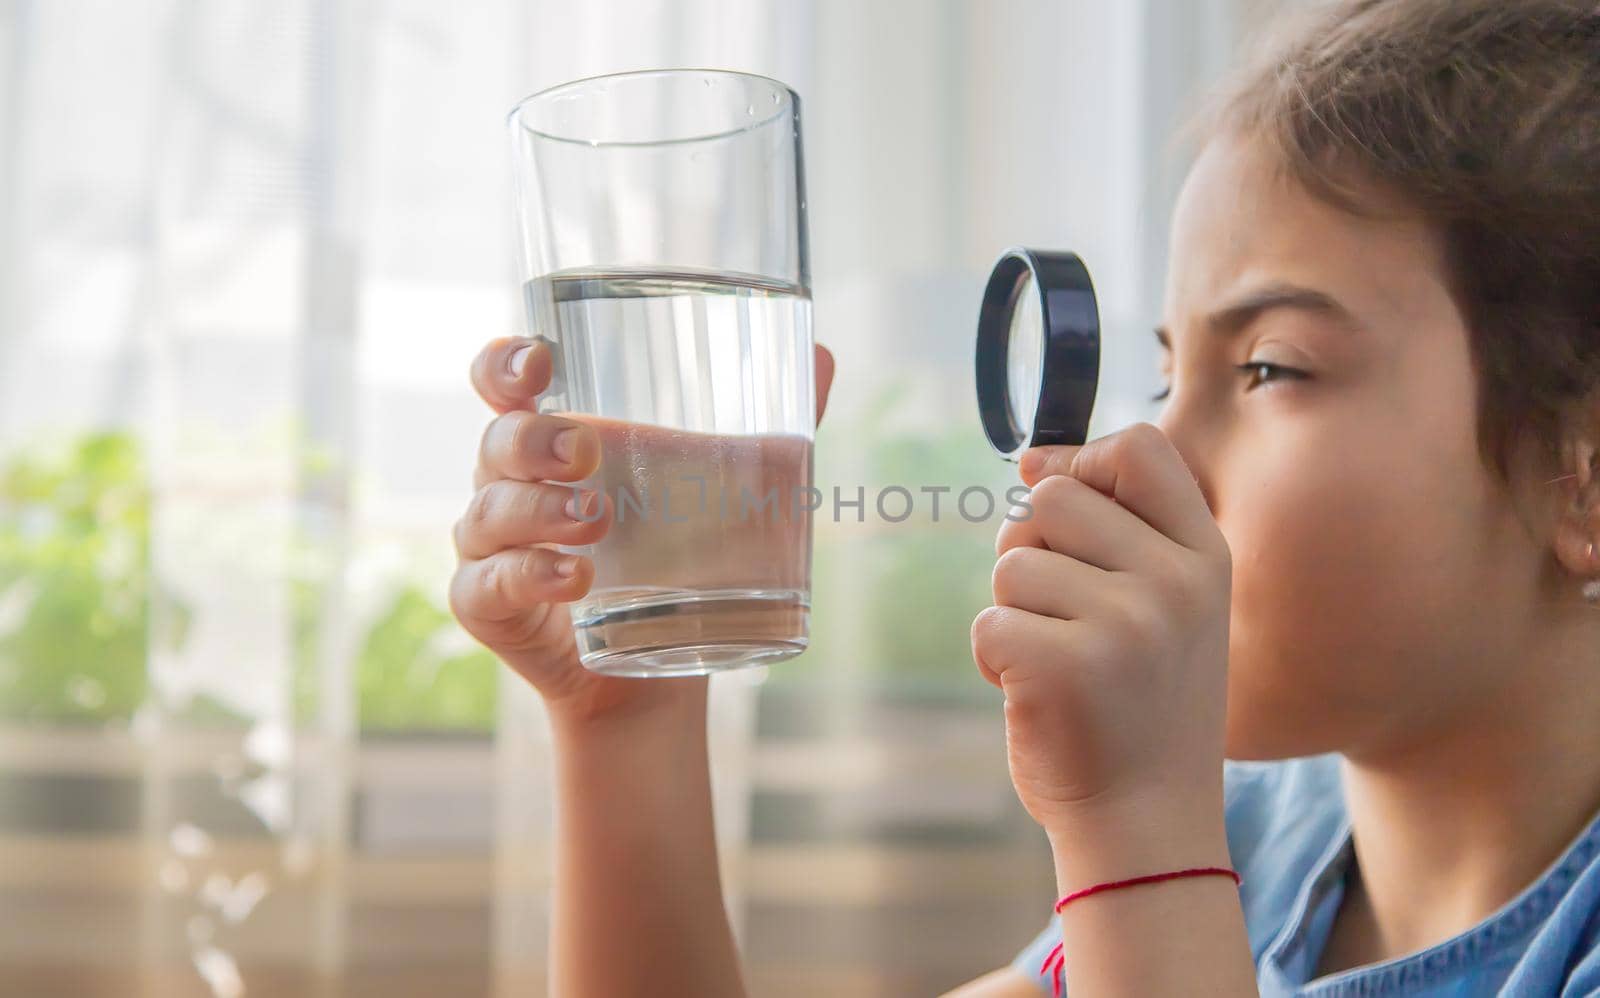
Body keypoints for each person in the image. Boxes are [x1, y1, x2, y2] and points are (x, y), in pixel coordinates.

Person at [449, 0, 1600, 992]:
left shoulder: (1188, 843)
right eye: (1164, 370)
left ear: (1582, 479)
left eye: (1268, 367)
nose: (1149, 449)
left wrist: (1140, 834)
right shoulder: (1251, 842)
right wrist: (628, 723)